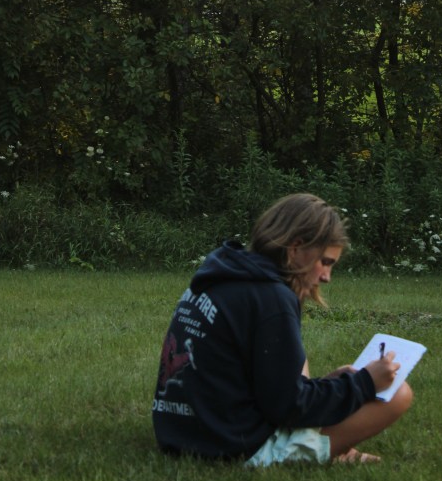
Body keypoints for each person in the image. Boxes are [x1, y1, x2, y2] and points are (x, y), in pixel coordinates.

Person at [152, 193, 413, 466]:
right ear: (295, 248)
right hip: (232, 445)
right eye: (325, 262)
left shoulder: (224, 275)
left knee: (304, 367)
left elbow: (256, 380)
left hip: (179, 433)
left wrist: (328, 385)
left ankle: (331, 440)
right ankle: (333, 449)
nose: (326, 277)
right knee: (398, 394)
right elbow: (287, 407)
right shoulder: (272, 298)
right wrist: (365, 383)